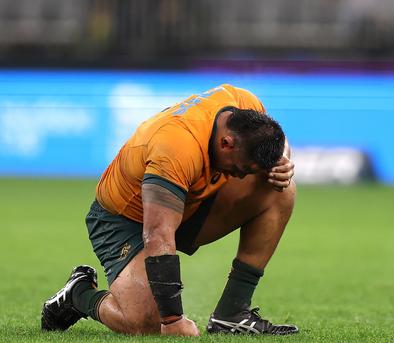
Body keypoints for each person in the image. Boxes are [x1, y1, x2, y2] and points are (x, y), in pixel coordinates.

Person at [41, 84, 299, 336]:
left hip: (187, 202)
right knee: (145, 324)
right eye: (240, 167)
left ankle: (232, 314)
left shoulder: (245, 103)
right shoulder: (176, 145)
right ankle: (79, 294)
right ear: (227, 143)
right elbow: (158, 233)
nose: (240, 175)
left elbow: (277, 140)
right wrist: (172, 319)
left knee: (280, 188)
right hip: (125, 219)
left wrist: (283, 161)